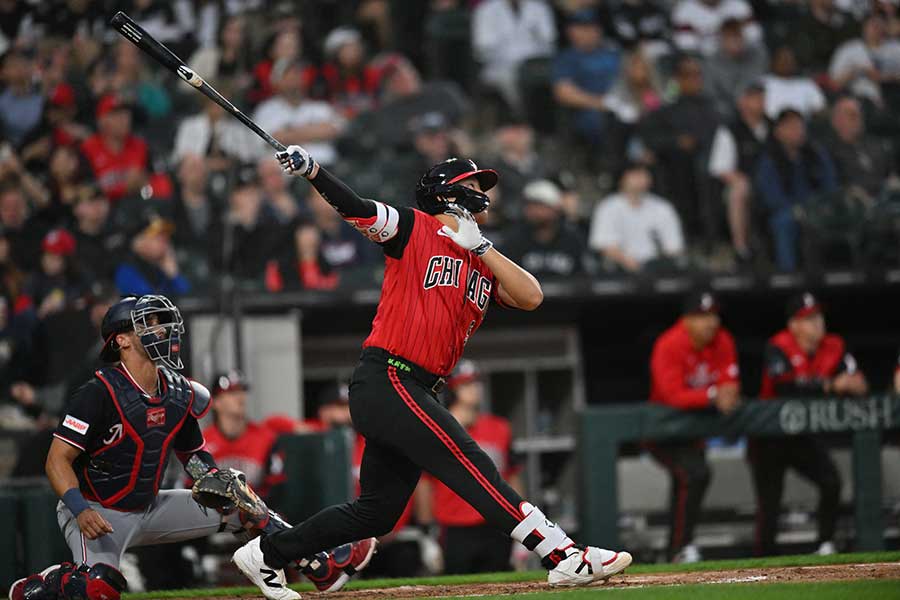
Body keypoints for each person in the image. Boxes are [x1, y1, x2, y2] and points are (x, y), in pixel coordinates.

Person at [231, 146, 632, 599]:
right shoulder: (413, 226)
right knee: (469, 461)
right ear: (446, 192)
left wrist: (480, 245)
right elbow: (356, 208)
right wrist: (315, 173)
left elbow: (532, 296)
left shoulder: (480, 255)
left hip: (416, 387)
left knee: (377, 514)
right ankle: (561, 555)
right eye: (473, 186)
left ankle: (267, 553)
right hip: (389, 377)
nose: (482, 195)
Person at [9, 296, 372, 600]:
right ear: (121, 340)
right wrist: (79, 509)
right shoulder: (97, 393)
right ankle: (45, 586)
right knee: (99, 589)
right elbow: (58, 460)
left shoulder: (179, 392)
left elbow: (194, 456)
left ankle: (320, 562)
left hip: (149, 505)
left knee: (239, 495)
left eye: (159, 323)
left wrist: (214, 480)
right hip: (97, 512)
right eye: (147, 324)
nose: (160, 330)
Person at [749, 292, 868, 557]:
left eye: (818, 316)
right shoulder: (778, 345)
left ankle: (825, 543)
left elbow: (858, 381)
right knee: (769, 503)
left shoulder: (834, 344)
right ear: (793, 325)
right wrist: (830, 385)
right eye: (808, 319)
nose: (816, 323)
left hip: (803, 435)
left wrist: (850, 383)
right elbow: (785, 385)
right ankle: (762, 559)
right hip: (770, 436)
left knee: (831, 481)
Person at [647, 290, 740, 563]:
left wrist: (725, 393)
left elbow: (730, 385)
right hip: (661, 431)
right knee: (694, 474)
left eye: (713, 315)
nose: (710, 322)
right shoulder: (669, 343)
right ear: (686, 319)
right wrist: (713, 395)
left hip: (692, 432)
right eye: (701, 316)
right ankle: (680, 548)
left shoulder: (723, 340)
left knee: (692, 476)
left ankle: (678, 549)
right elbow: (672, 395)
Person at [419, 361, 523, 574]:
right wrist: (426, 532)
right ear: (453, 391)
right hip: (454, 527)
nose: (475, 389)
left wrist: (523, 523)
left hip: (496, 524)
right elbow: (424, 483)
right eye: (466, 385)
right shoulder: (437, 430)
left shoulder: (499, 427)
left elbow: (512, 475)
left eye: (476, 383)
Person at [754, 109, 837, 271]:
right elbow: (772, 198)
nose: (797, 131)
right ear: (778, 132)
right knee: (784, 222)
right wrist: (798, 210)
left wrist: (818, 207)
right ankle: (788, 275)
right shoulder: (770, 160)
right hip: (787, 211)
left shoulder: (816, 155)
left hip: (818, 208)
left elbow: (830, 186)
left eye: (799, 126)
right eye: (790, 127)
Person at [708, 81, 770, 262]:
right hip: (746, 186)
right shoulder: (730, 130)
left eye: (761, 97)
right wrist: (744, 181)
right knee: (738, 190)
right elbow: (720, 168)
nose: (759, 102)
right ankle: (741, 248)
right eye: (753, 98)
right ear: (742, 102)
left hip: (776, 182)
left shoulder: (775, 126)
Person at [589, 163, 685, 273]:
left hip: (656, 270)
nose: (640, 178)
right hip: (620, 270)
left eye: (643, 174)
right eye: (635, 174)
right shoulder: (607, 207)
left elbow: (674, 248)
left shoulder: (663, 207)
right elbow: (604, 246)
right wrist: (631, 264)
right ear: (622, 179)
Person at [553, 10, 622, 146]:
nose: (589, 32)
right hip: (589, 110)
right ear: (571, 32)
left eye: (592, 27)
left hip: (622, 101)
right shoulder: (567, 58)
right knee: (602, 122)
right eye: (582, 28)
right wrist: (600, 103)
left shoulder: (612, 52)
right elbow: (563, 93)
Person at [472, 0, 556, 111]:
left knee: (556, 77)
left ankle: (548, 118)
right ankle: (523, 118)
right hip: (500, 66)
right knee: (511, 80)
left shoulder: (540, 7)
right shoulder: (486, 9)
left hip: (535, 64)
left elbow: (549, 42)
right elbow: (482, 48)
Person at [501, 180, 588, 279]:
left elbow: (582, 278)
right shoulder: (514, 240)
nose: (534, 211)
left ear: (555, 208)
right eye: (529, 206)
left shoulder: (572, 239)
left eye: (540, 206)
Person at [79, 94, 149, 202]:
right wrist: (124, 189)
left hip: (135, 206)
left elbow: (149, 190)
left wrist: (144, 186)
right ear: (101, 121)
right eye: (115, 114)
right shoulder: (88, 149)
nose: (124, 119)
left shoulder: (140, 146)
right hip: (101, 210)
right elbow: (84, 191)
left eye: (126, 113)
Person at [704, 18, 768, 120]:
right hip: (726, 114)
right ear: (722, 40)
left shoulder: (756, 54)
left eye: (737, 36)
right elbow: (710, 96)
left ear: (743, 37)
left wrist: (745, 101)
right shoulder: (712, 62)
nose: (734, 42)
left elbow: (755, 81)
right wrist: (731, 110)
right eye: (729, 38)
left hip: (753, 106)